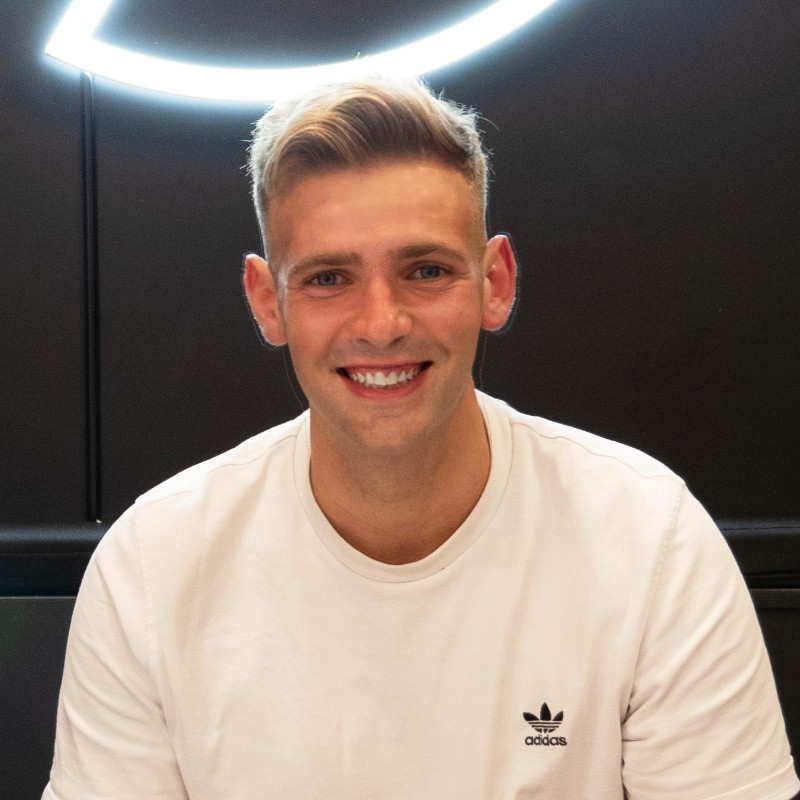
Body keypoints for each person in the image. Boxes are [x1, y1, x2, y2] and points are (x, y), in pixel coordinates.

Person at [43, 76, 798, 799]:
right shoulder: (153, 567)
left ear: (495, 281)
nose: (381, 323)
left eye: (426, 270)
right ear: (266, 302)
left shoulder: (650, 544)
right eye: (329, 278)